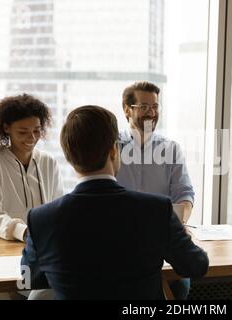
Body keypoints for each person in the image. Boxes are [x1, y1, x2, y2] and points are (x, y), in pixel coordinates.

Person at [21, 105, 209, 300]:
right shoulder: (156, 209)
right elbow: (197, 266)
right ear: (114, 150)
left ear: (69, 157)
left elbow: (29, 279)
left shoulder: (41, 219)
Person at [117, 81, 194, 299]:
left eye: (155, 106)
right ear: (126, 109)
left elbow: (184, 193)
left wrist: (180, 222)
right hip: (120, 242)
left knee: (179, 284)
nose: (151, 113)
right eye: (144, 107)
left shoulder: (171, 148)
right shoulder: (111, 147)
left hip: (162, 241)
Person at [0, 94, 64, 242]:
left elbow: (57, 207)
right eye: (23, 132)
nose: (31, 138)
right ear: (6, 128)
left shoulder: (49, 162)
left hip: (42, 244)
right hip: (1, 243)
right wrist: (24, 232)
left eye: (36, 131)